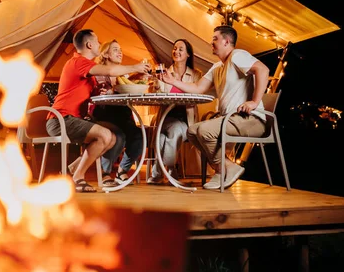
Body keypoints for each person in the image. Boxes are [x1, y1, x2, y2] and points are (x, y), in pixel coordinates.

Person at [160, 25, 270, 190]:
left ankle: (226, 168)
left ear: (226, 42)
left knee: (204, 131)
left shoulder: (237, 55)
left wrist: (254, 102)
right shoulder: (217, 66)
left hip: (251, 119)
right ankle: (223, 168)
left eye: (215, 39)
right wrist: (173, 82)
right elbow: (198, 88)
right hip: (230, 119)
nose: (211, 42)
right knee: (192, 131)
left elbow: (263, 69)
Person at [46, 29, 151, 193]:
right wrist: (135, 66)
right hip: (61, 119)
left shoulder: (87, 69)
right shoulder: (78, 62)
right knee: (105, 135)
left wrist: (100, 91)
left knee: (113, 137)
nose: (99, 45)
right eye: (97, 41)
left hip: (73, 119)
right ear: (89, 45)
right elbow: (110, 71)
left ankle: (72, 169)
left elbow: (90, 91)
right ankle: (78, 177)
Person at [147, 39, 203, 185]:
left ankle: (160, 172)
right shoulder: (164, 72)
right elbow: (155, 95)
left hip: (186, 120)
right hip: (165, 117)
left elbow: (197, 96)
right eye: (175, 48)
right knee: (164, 133)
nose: (176, 51)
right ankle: (171, 170)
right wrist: (156, 84)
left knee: (171, 133)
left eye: (181, 49)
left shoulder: (196, 75)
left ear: (188, 54)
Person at [90, 39, 144, 187]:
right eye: (115, 49)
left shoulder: (124, 76)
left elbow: (126, 87)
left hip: (123, 116)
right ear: (106, 54)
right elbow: (96, 96)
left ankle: (122, 171)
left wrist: (136, 80)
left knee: (139, 136)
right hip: (104, 115)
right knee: (118, 136)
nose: (120, 52)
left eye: (120, 49)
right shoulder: (98, 72)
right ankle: (105, 173)